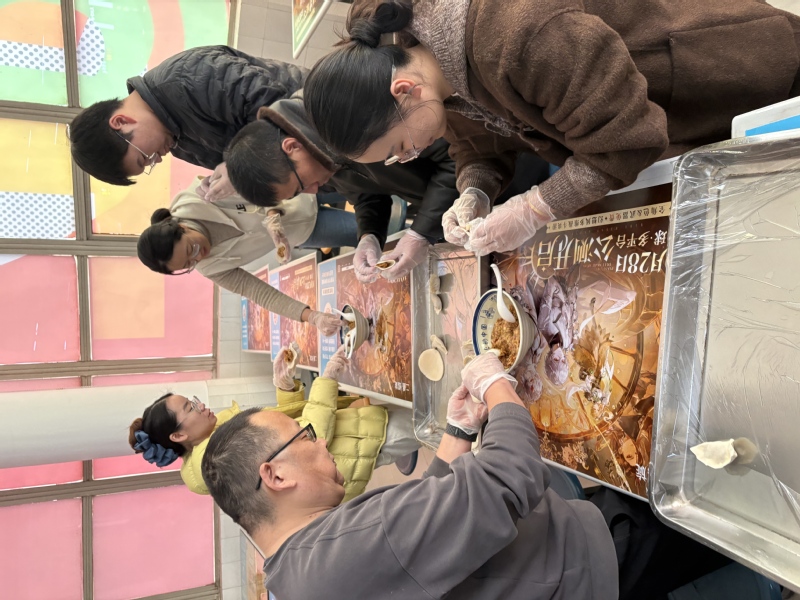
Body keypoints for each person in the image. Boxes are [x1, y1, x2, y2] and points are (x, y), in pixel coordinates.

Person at [202, 351, 732, 600]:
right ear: (275, 475)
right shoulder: (340, 552)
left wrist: (457, 431)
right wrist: (497, 385)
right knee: (721, 504)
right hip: (590, 561)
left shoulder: (297, 571)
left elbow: (417, 525)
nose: (319, 440)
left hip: (561, 564)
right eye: (304, 436)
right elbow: (510, 476)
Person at [302, 0, 800, 256]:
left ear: (403, 90)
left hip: (719, 70)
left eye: (401, 146)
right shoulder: (431, 69)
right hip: (676, 125)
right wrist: (474, 190)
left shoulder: (515, 37)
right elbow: (478, 140)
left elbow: (626, 142)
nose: (409, 156)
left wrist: (536, 207)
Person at [128, 344, 418, 498]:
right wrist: (327, 379)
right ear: (178, 436)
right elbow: (306, 440)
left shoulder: (219, 436)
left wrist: (286, 388)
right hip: (356, 446)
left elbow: (285, 429)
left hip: (356, 433)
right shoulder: (222, 458)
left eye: (193, 400)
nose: (200, 405)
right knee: (435, 423)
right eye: (190, 407)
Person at [224, 96, 459, 282]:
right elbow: (366, 194)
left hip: (473, 176)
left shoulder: (349, 112)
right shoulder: (318, 156)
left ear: (292, 147)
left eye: (301, 186)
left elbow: (457, 154)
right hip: (452, 205)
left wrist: (422, 232)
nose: (313, 191)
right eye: (300, 193)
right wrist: (368, 235)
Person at [68, 45, 305, 201]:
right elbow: (244, 158)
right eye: (148, 164)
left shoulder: (188, 77)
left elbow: (277, 104)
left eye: (144, 157)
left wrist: (240, 169)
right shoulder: (176, 143)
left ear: (121, 121)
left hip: (320, 115)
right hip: (311, 168)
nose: (156, 159)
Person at [136, 178, 346, 335]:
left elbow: (253, 177)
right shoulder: (209, 268)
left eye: (191, 249)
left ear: (180, 227)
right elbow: (258, 292)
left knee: (361, 183)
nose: (199, 256)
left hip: (298, 186)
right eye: (189, 264)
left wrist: (272, 214)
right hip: (305, 230)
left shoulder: (198, 198)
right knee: (360, 232)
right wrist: (312, 317)